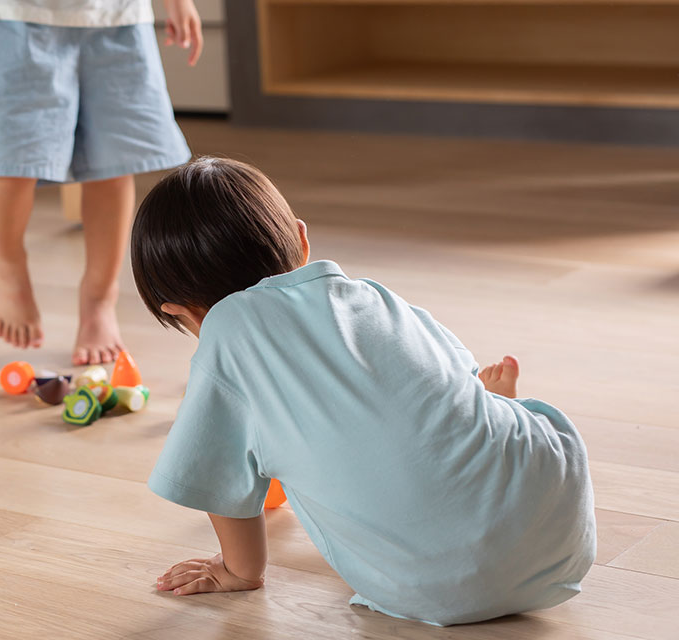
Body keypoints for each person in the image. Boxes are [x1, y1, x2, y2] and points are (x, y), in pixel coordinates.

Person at [132, 157, 596, 626]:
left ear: (183, 311)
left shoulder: (226, 330)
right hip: (559, 532)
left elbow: (215, 477)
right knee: (482, 415)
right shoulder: (373, 296)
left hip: (432, 589)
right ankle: (500, 409)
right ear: (301, 240)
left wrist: (239, 570)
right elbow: (450, 373)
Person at [0, 0, 200, 364]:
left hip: (113, 15)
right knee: (7, 159)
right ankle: (10, 271)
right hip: (5, 15)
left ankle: (99, 299)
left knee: (112, 162)